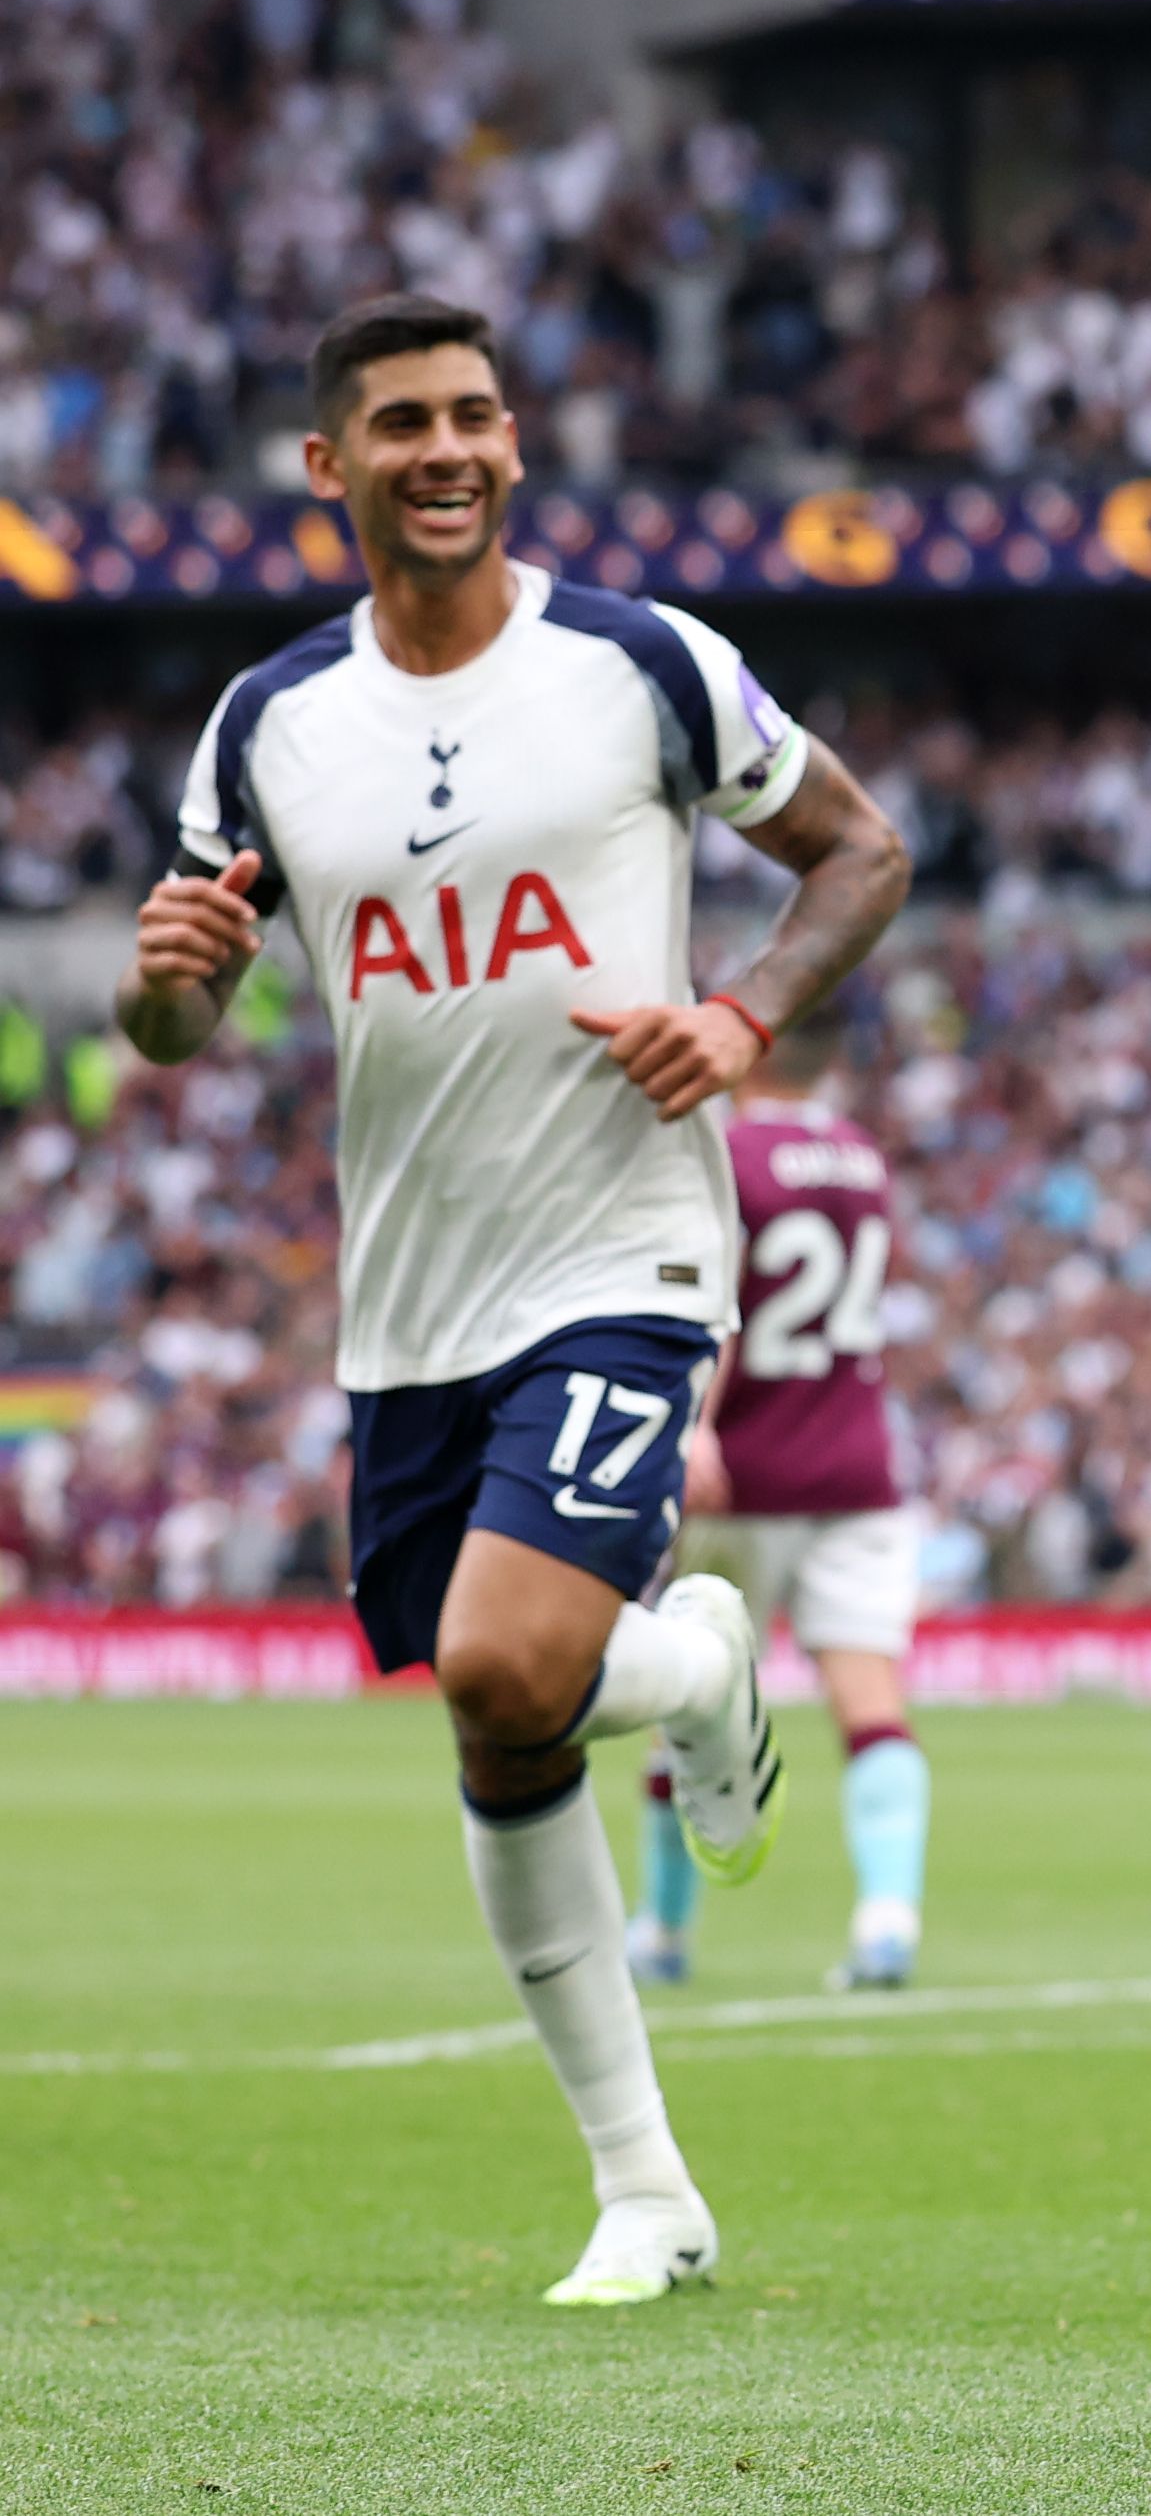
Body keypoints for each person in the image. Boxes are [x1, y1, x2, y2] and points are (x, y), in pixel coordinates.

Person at [114, 293, 908, 2307]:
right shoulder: (268, 725)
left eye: (475, 414)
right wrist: (165, 973)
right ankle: (645, 2187)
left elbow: (858, 850)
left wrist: (741, 1016)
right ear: (330, 465)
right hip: (411, 1301)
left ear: (514, 442)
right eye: (402, 423)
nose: (448, 448)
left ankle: (704, 1665)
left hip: (621, 1258)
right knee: (502, 1733)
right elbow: (178, 1018)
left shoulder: (638, 662)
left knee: (497, 1662)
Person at [630, 1011, 931, 1994]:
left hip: (745, 1476)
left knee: (688, 1707)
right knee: (873, 1708)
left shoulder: (722, 1156)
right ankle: (887, 1921)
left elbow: (706, 1304)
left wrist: (692, 1428)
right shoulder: (865, 1161)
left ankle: (665, 1932)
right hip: (855, 1472)